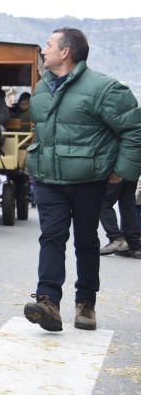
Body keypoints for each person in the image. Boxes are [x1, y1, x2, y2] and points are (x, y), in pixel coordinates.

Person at [23, 28, 141, 333]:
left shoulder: (103, 88)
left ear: (66, 52)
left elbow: (134, 129)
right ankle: (47, 301)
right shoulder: (42, 88)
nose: (44, 49)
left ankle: (86, 304)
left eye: (49, 45)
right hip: (49, 179)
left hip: (89, 180)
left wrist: (121, 171)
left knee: (86, 242)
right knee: (51, 236)